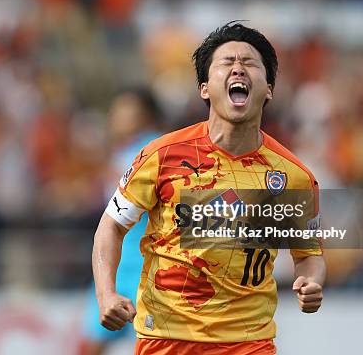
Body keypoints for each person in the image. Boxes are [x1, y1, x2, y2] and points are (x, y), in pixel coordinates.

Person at [92, 22, 326, 355]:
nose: (238, 69)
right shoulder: (162, 156)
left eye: (249, 63)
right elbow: (111, 226)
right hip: (166, 339)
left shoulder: (293, 177)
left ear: (269, 89)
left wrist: (312, 280)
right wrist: (106, 294)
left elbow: (309, 255)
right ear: (204, 88)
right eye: (226, 62)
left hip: (249, 343)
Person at [80, 89, 162, 355]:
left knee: (148, 343)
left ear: (145, 114)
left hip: (144, 263)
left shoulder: (153, 148)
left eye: (125, 110)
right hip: (119, 260)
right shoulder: (123, 151)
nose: (117, 116)